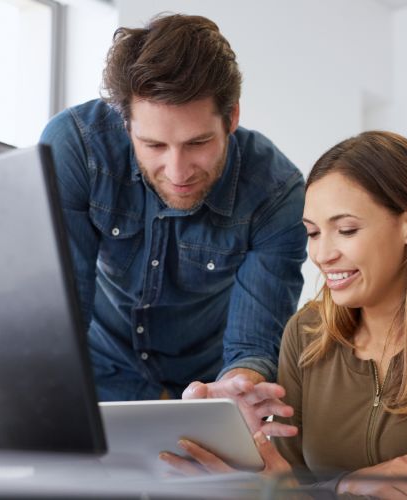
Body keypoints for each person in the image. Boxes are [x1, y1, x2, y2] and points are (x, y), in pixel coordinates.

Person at [164, 131, 407, 499]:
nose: (322, 254)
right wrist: (346, 485)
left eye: (346, 230)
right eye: (313, 233)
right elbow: (286, 485)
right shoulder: (306, 333)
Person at [39, 14, 307, 407]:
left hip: (205, 391)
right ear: (125, 123)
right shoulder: (76, 147)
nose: (178, 172)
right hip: (98, 375)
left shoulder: (276, 192)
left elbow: (254, 344)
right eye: (154, 146)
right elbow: (62, 310)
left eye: (198, 143)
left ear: (231, 116)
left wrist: (237, 387)